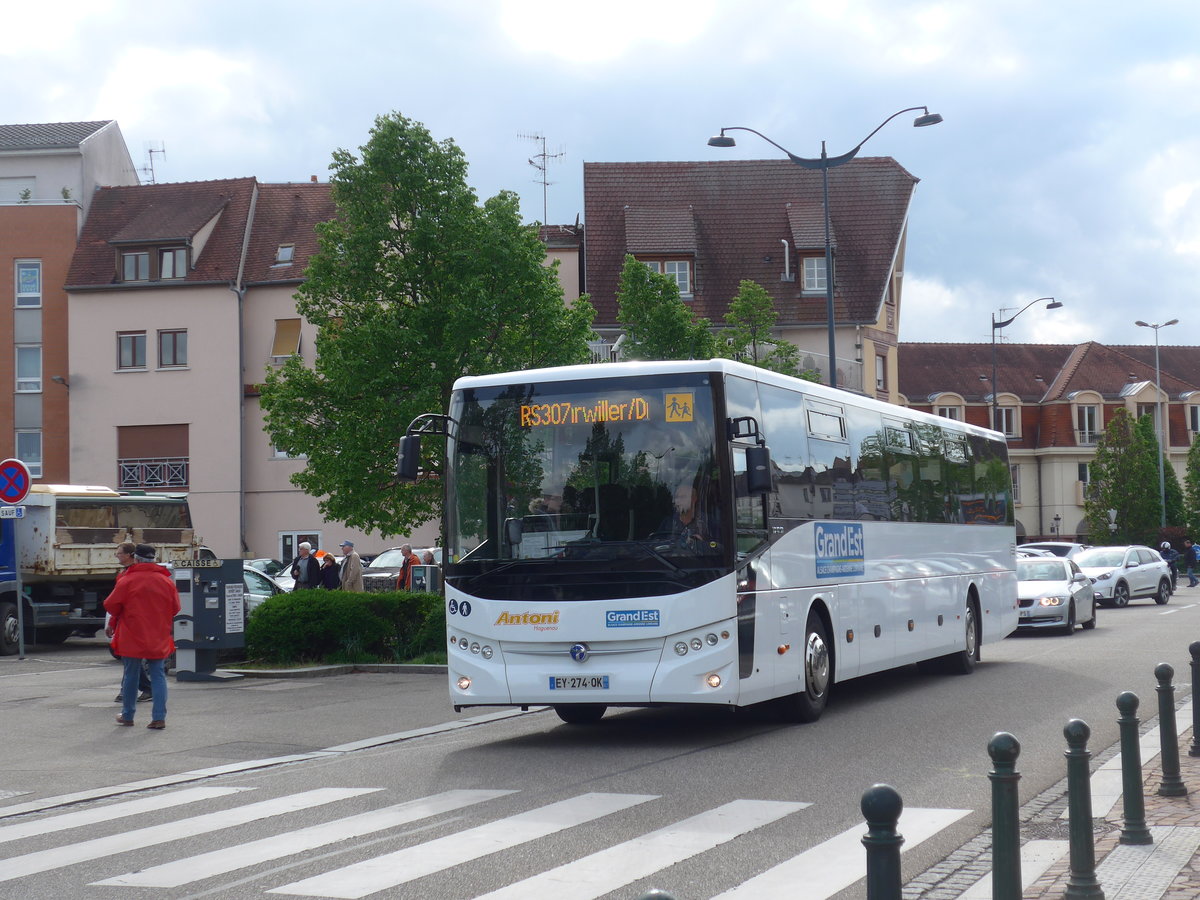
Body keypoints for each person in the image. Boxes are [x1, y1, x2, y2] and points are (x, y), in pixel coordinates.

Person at [104, 543, 179, 729]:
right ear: (154, 559)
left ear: (136, 558)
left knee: (131, 674)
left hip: (132, 633)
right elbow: (175, 608)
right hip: (158, 633)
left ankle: (128, 715)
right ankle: (159, 717)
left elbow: (111, 605)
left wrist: (115, 621)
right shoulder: (166, 581)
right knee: (158, 674)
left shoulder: (127, 580)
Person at [111, 541, 152, 705]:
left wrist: (113, 621)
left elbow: (117, 603)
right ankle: (146, 688)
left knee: (130, 657)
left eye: (119, 553)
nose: (117, 556)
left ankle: (127, 692)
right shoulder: (124, 574)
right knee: (130, 658)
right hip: (129, 621)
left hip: (134, 622)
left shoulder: (129, 576)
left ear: (130, 555)